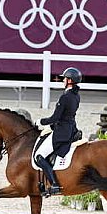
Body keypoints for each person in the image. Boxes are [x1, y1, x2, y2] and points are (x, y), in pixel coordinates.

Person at [34, 67, 82, 197]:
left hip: (62, 132)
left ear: (70, 80)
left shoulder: (65, 97)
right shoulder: (76, 96)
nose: (63, 80)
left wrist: (41, 122)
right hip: (71, 128)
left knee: (39, 156)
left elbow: (55, 117)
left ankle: (54, 183)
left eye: (64, 78)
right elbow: (67, 115)